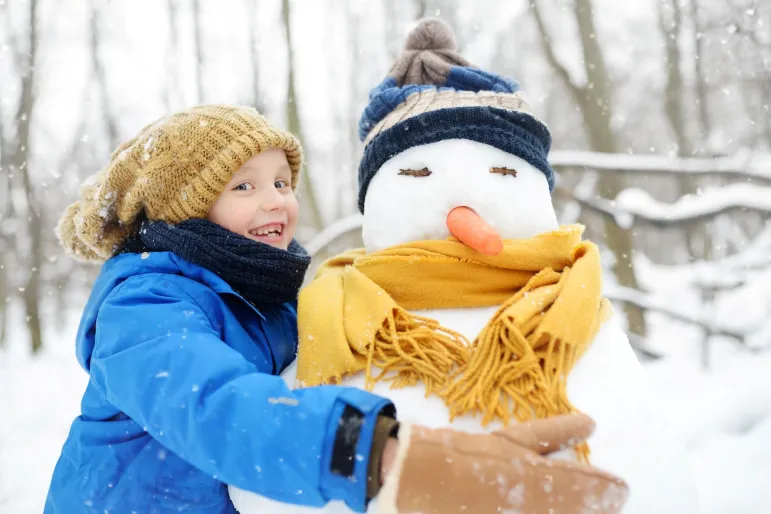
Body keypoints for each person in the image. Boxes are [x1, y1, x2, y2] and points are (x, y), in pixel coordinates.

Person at [44, 104, 627, 513]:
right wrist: (386, 455)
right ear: (185, 211)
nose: (275, 200)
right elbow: (218, 410)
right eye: (243, 187)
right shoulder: (145, 307)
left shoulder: (276, 296)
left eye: (281, 181)